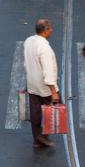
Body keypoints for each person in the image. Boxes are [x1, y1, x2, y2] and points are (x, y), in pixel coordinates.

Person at [23, 19, 60, 149]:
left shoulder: (28, 41)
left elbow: (26, 63)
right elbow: (48, 71)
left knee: (35, 112)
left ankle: (36, 139)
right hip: (45, 88)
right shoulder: (44, 48)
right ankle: (43, 137)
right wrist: (54, 91)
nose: (52, 30)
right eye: (50, 28)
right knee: (49, 111)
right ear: (45, 31)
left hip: (32, 84)